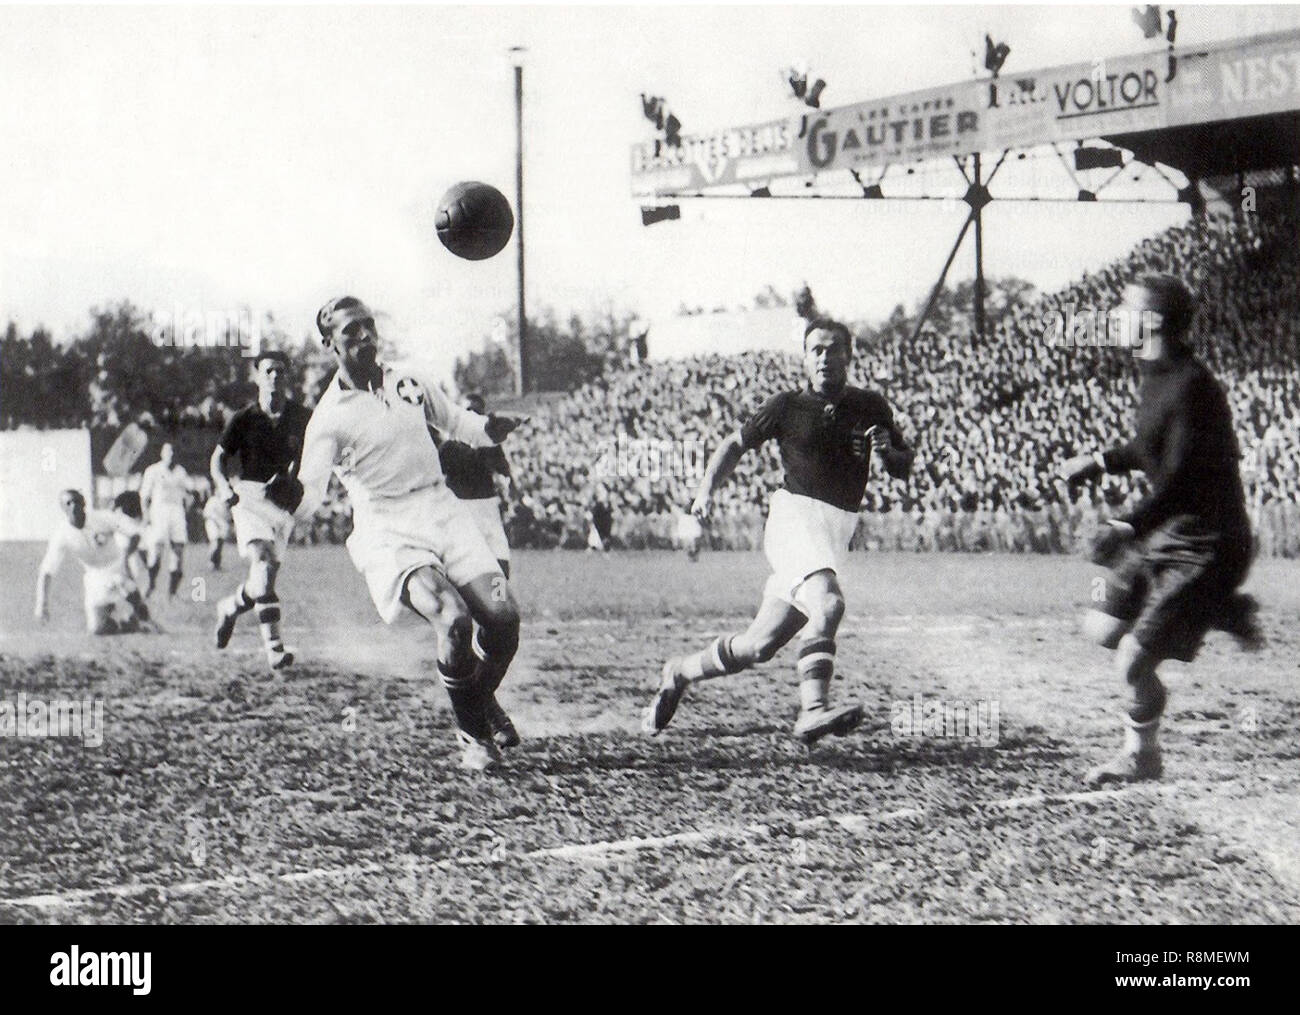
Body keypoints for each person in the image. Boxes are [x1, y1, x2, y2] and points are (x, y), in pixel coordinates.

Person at [643, 318, 915, 744]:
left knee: (758, 646)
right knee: (827, 604)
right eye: (816, 350)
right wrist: (703, 497)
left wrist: (890, 451)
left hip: (835, 531)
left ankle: (680, 671)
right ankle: (812, 709)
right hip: (794, 519)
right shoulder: (786, 406)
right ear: (805, 359)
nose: (825, 357)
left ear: (849, 355)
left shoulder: (871, 406)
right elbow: (733, 444)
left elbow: (903, 467)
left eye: (833, 349)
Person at [296, 297, 525, 772]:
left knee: (504, 620)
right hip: (388, 527)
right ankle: (474, 737)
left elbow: (456, 421)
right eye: (351, 331)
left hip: (444, 509)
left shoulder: (409, 379)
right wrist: (283, 496)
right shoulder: (329, 417)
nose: (365, 337)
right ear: (328, 344)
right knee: (453, 619)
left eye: (369, 327)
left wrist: (490, 429)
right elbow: (310, 493)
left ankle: (476, 700)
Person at [1059, 274, 1259, 786]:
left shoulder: (1192, 386)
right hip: (1171, 532)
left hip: (1207, 544)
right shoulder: (1156, 375)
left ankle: (1141, 756)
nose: (1114, 317)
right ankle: (1219, 607)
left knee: (1132, 664)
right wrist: (1100, 460)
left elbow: (1182, 479)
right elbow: (1151, 451)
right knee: (1101, 629)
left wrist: (1126, 524)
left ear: (1149, 321)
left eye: (1124, 309)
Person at [210, 351, 314, 671]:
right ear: (257, 376)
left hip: (283, 502)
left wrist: (297, 480)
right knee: (264, 562)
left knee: (261, 582)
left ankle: (230, 606)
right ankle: (275, 651)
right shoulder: (244, 418)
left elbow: (313, 456)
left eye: (281, 371)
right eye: (268, 371)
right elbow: (217, 460)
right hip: (250, 498)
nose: (275, 377)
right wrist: (225, 489)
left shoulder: (302, 416)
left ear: (288, 377)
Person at [34, 490, 154, 634]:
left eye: (77, 502)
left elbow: (135, 534)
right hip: (94, 574)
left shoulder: (102, 518)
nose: (74, 506)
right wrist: (42, 605)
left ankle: (141, 614)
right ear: (63, 508)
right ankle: (126, 622)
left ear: (84, 503)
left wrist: (126, 557)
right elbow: (47, 571)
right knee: (97, 629)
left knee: (128, 590)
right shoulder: (62, 534)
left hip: (117, 566)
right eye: (68, 503)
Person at [436, 393, 515, 578]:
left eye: (477, 413)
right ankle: (473, 602)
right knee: (464, 561)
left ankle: (499, 598)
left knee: (498, 556)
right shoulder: (450, 448)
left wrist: (509, 489)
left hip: (486, 506)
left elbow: (505, 471)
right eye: (469, 412)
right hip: (460, 507)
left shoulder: (488, 445)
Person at [139, 442, 190, 598]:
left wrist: (185, 511)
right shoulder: (153, 470)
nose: (171, 455)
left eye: (174, 451)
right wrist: (146, 516)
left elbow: (188, 493)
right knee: (155, 552)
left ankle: (172, 593)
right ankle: (151, 584)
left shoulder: (181, 472)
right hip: (159, 512)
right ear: (162, 453)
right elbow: (145, 497)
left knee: (178, 550)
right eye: (168, 451)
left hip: (177, 512)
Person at [202, 487, 232, 571]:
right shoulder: (212, 500)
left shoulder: (226, 502)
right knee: (214, 542)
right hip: (212, 523)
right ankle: (210, 562)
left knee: (220, 544)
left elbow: (228, 516)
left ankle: (217, 564)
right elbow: (206, 513)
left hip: (222, 524)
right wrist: (216, 521)